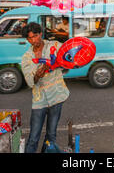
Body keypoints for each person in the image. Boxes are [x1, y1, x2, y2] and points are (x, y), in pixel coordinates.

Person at [21, 22, 69, 153]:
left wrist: (57, 64)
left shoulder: (55, 46)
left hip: (56, 97)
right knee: (33, 138)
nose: (33, 40)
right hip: (39, 101)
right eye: (29, 38)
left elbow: (67, 63)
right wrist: (39, 73)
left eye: (35, 36)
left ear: (40, 34)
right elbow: (31, 82)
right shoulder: (26, 58)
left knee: (51, 136)